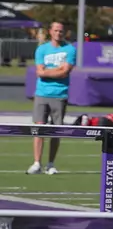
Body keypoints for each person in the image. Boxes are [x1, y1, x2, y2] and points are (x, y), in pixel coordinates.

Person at [28, 21, 75, 174]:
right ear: (50, 31)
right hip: (42, 94)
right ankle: (37, 163)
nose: (58, 33)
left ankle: (50, 164)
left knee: (56, 130)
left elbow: (65, 72)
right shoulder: (42, 49)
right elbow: (39, 72)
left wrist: (48, 71)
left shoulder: (70, 49)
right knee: (39, 128)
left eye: (61, 31)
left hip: (60, 94)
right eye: (55, 30)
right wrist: (57, 69)